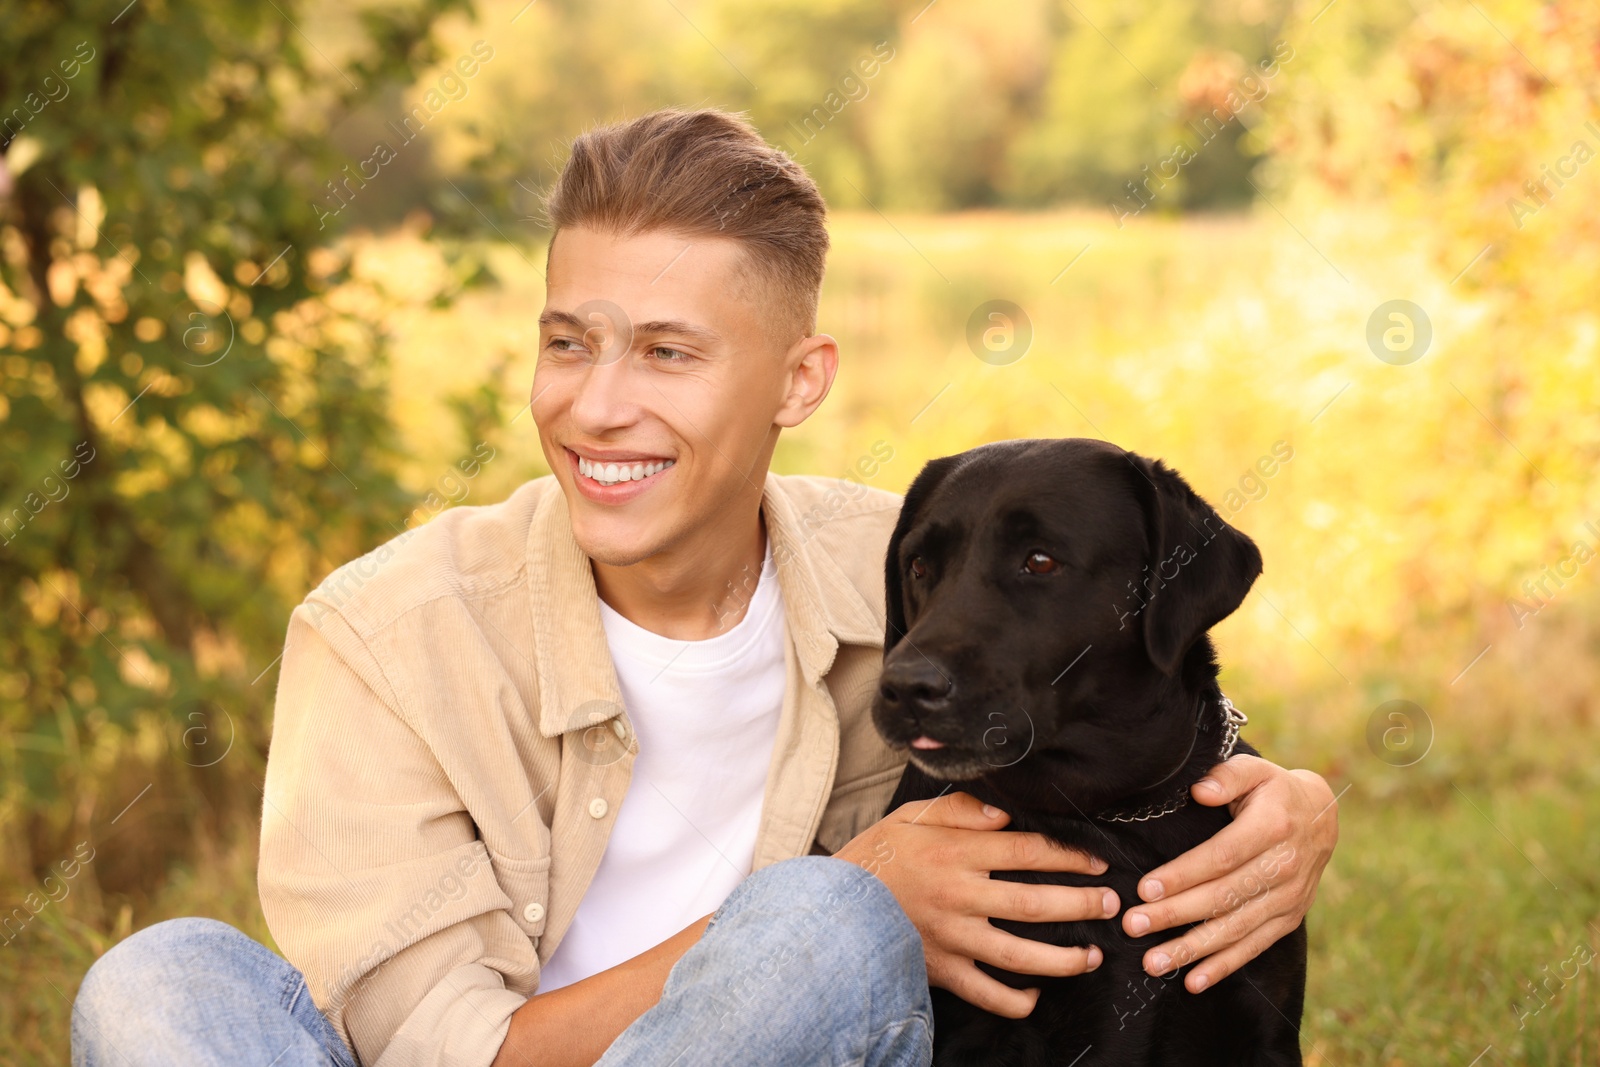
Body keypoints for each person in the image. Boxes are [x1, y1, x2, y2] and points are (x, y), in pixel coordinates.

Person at [72, 107, 1338, 1067]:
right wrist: (874, 890)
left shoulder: (895, 566)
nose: (596, 403)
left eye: (668, 351)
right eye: (568, 341)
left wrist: (1290, 799)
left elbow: (1105, 668)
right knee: (157, 980)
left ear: (799, 382)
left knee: (819, 935)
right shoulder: (385, 635)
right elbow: (444, 1050)